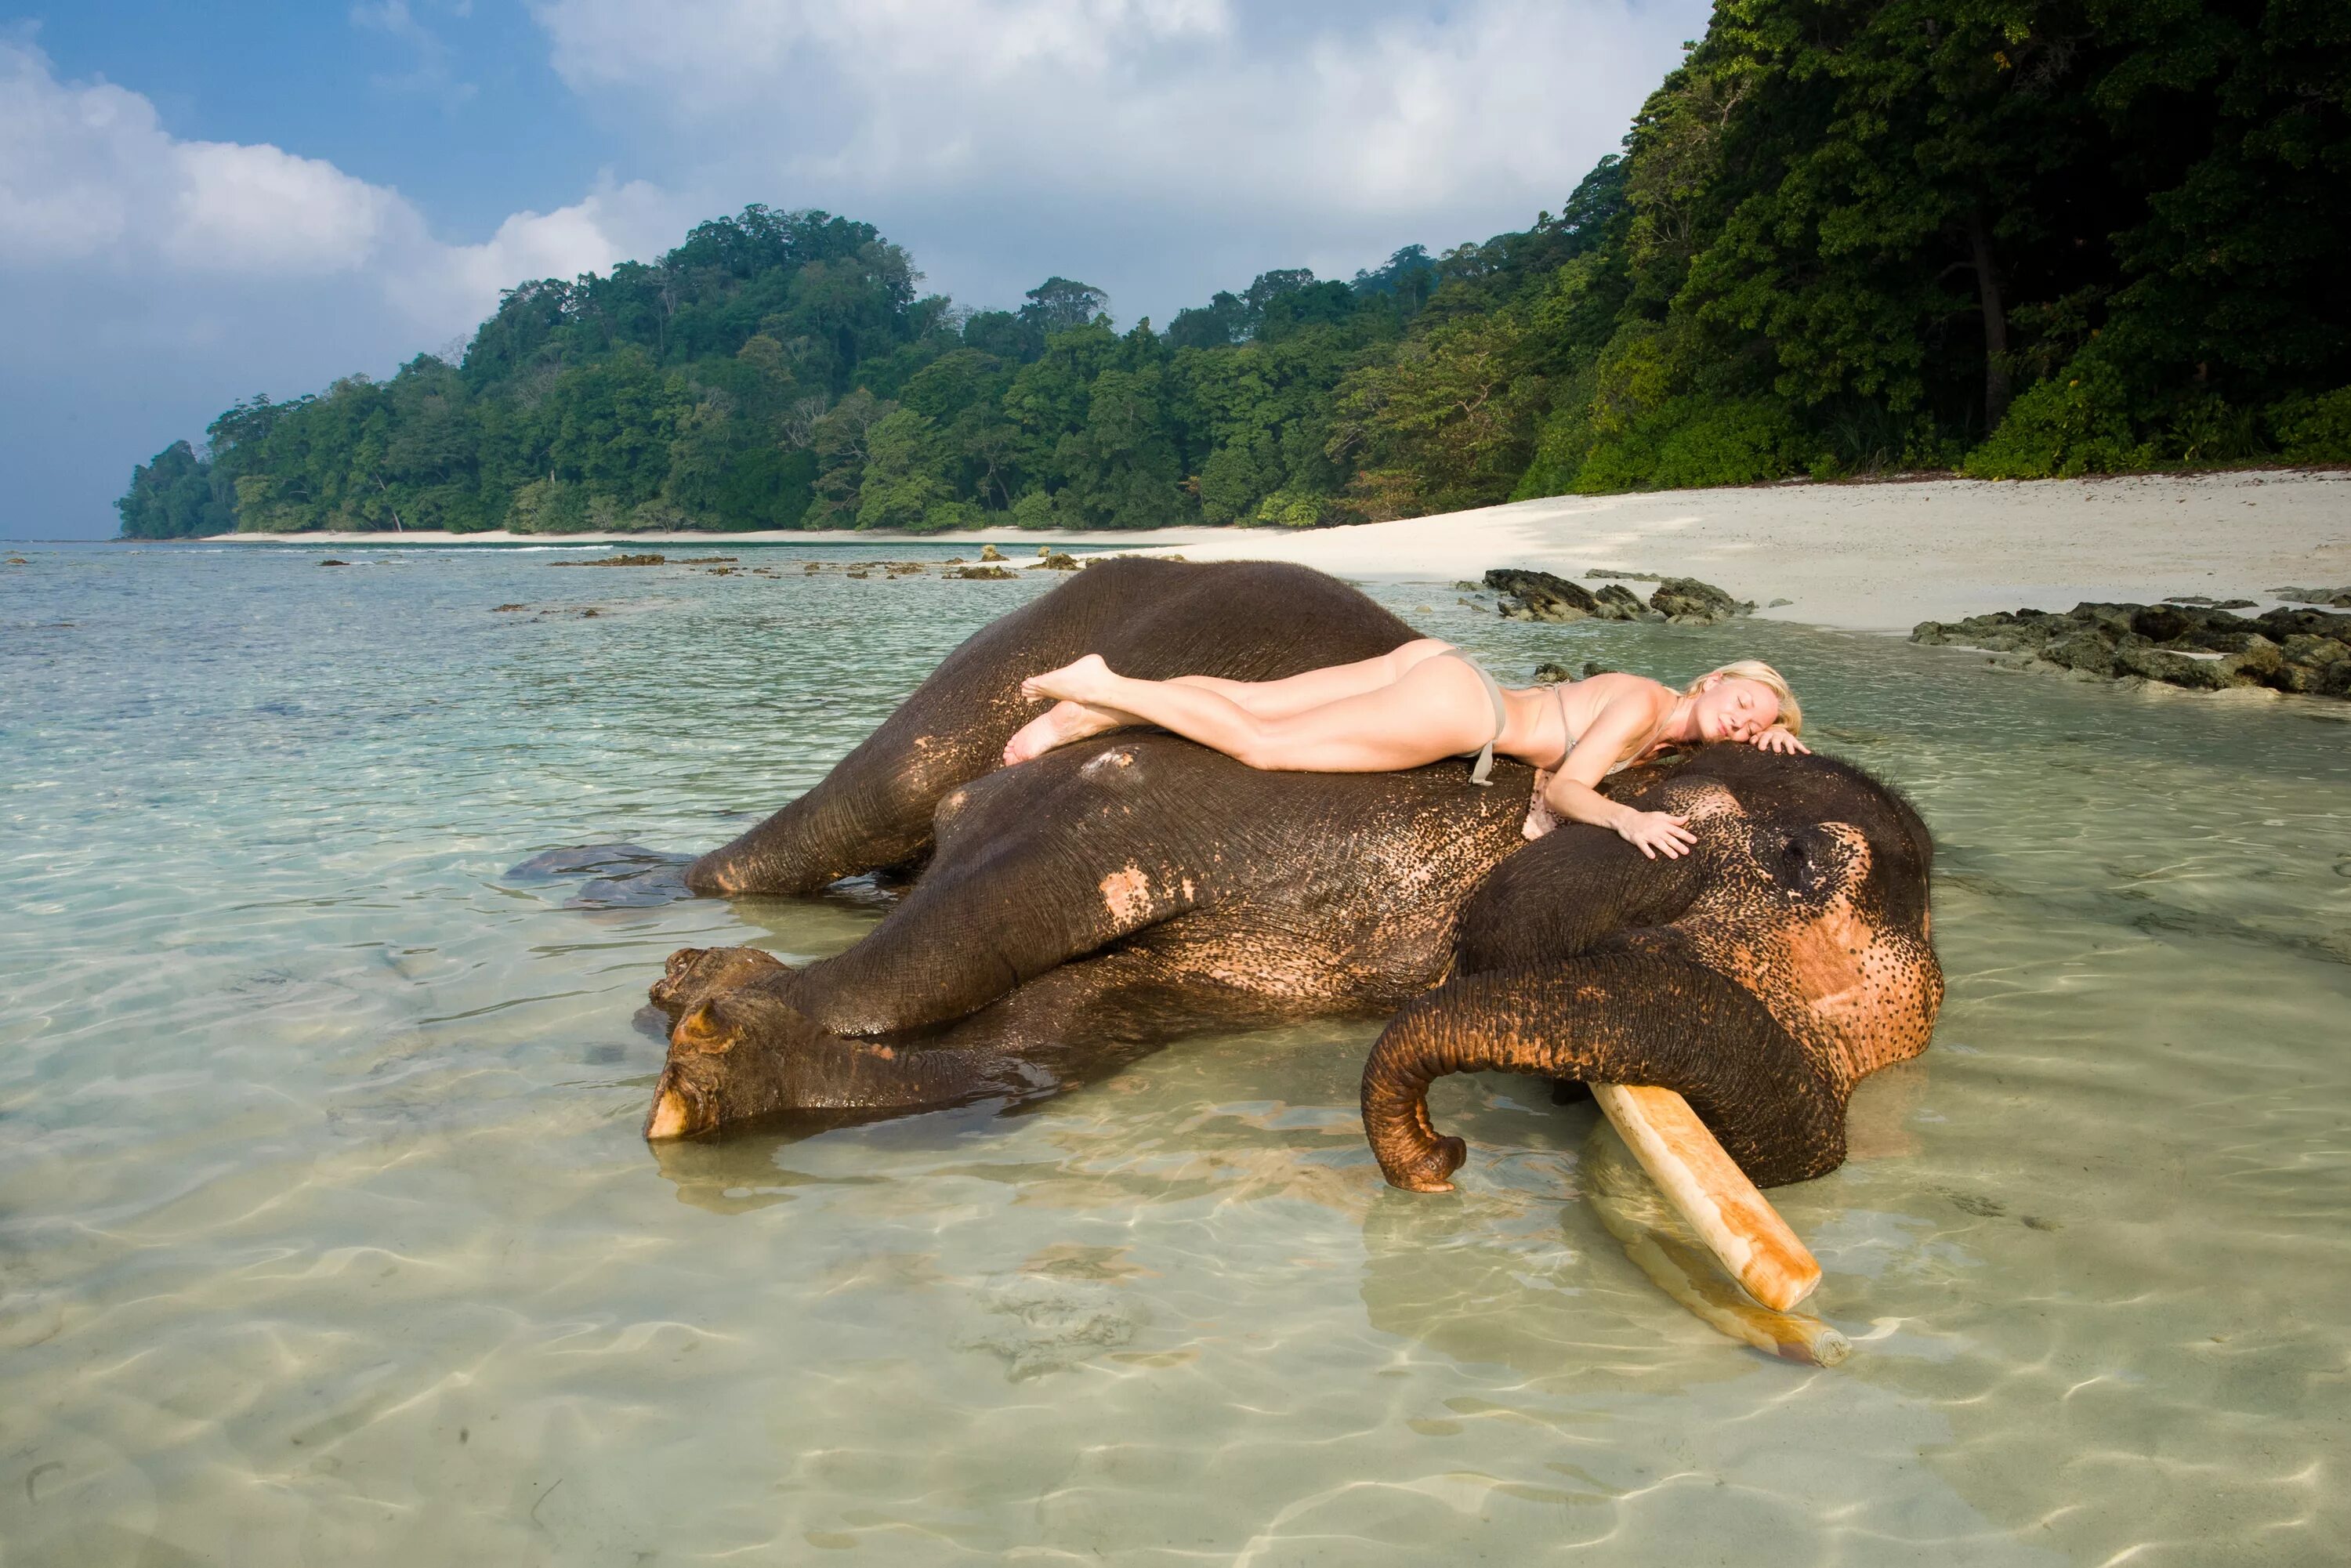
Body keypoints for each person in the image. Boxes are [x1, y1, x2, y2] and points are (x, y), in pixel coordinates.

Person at [1002, 641, 1806, 860]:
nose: (1742, 724)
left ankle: (1085, 716)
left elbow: (1728, 757)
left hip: (1439, 666)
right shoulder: (1641, 701)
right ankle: (1104, 683)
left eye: (1756, 722)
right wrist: (1625, 823)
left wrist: (1779, 740)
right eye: (1742, 704)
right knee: (1262, 743)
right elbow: (1567, 791)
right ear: (1710, 680)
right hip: (1462, 709)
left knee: (1247, 699)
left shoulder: (1666, 723)